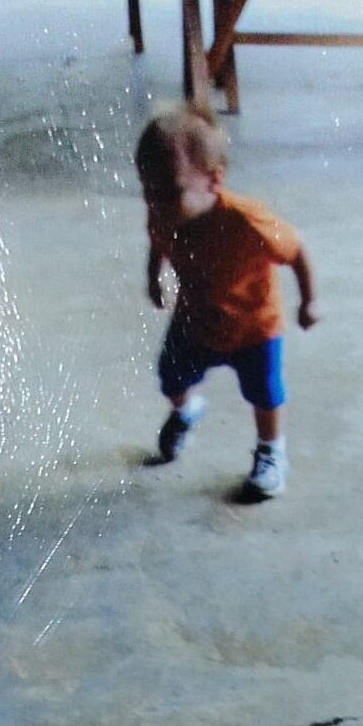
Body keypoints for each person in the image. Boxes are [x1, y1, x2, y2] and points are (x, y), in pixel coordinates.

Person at [135, 102, 320, 498]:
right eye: (147, 191)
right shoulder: (163, 213)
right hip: (195, 320)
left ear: (215, 180)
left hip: (255, 327)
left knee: (265, 393)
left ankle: (272, 452)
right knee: (170, 377)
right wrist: (154, 276)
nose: (156, 203)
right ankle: (186, 409)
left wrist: (309, 301)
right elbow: (158, 241)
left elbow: (296, 249)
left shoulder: (247, 221)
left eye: (169, 192)